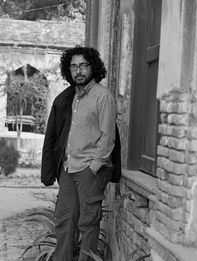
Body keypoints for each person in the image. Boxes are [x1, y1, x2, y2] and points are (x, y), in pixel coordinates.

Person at [41, 45, 121, 261]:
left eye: (83, 65)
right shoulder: (70, 98)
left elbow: (108, 137)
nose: (78, 71)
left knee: (88, 224)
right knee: (64, 221)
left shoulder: (103, 96)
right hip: (68, 169)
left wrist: (94, 166)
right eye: (74, 66)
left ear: (92, 67)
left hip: (89, 170)